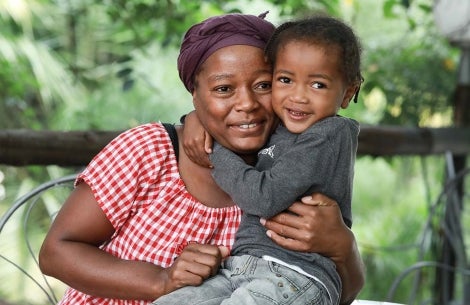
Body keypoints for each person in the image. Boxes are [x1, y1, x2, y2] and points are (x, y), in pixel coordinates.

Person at [38, 12, 364, 305]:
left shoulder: (288, 166)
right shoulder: (150, 150)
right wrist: (161, 280)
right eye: (223, 89)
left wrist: (342, 245)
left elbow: (336, 294)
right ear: (195, 94)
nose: (247, 103)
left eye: (264, 84)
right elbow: (56, 252)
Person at [152, 15, 362, 305]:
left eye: (317, 85)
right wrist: (195, 120)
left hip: (295, 275)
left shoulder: (329, 133)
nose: (298, 97)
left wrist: (210, 147)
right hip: (243, 268)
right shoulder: (281, 127)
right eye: (285, 80)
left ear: (348, 92)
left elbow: (263, 198)